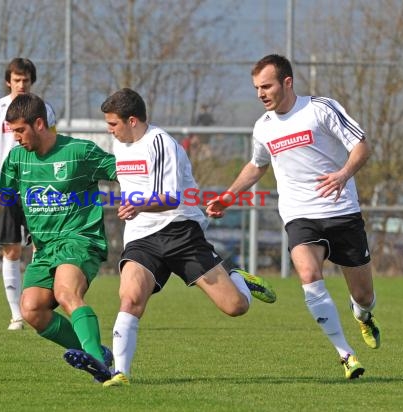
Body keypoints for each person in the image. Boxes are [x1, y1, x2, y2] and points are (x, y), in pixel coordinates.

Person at [207, 54, 380, 380]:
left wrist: (343, 174)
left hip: (342, 211)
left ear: (287, 82)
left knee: (363, 294)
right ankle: (346, 355)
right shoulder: (263, 127)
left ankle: (363, 314)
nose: (261, 93)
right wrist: (229, 196)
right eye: (257, 87)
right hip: (299, 215)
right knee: (307, 273)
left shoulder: (320, 109)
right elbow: (257, 165)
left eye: (267, 85)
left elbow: (361, 146)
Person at [99, 88, 277, 388]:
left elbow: (168, 198)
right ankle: (120, 373)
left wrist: (138, 204)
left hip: (180, 231)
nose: (109, 130)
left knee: (235, 307)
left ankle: (239, 280)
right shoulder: (120, 146)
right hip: (142, 237)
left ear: (132, 121)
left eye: (113, 124)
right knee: (130, 297)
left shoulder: (160, 143)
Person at [0, 93, 116, 383]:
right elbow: (6, 200)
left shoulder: (80, 152)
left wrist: (149, 196)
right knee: (31, 309)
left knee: (66, 293)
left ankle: (100, 366)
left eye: (20, 131)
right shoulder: (17, 157)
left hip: (80, 239)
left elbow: (122, 171)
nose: (15, 138)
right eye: (11, 132)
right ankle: (92, 351)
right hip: (45, 247)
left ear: (39, 124)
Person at [0, 57, 56, 330]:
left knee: (41, 247)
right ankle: (16, 315)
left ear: (32, 81)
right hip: (7, 190)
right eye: (17, 79)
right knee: (11, 250)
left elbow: (52, 143)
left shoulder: (44, 109)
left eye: (26, 80)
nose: (21, 84)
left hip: (37, 189)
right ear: (8, 81)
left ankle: (36, 305)